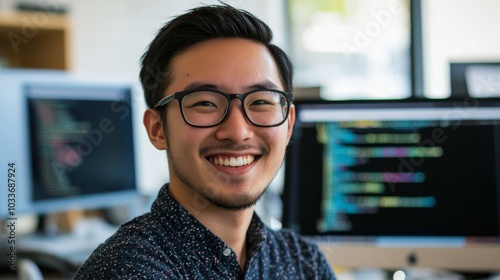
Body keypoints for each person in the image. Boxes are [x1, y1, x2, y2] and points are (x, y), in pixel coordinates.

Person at [75, 4, 336, 279]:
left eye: (260, 101)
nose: (237, 131)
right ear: (157, 130)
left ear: (289, 125)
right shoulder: (128, 269)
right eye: (205, 103)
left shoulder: (305, 263)